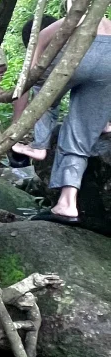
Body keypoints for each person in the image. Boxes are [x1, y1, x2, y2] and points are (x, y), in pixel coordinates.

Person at [10, 14, 111, 223]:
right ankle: (67, 203)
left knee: (42, 92)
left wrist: (16, 128)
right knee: (80, 134)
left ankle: (38, 146)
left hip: (83, 52)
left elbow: (26, 83)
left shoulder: (55, 29)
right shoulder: (98, 19)